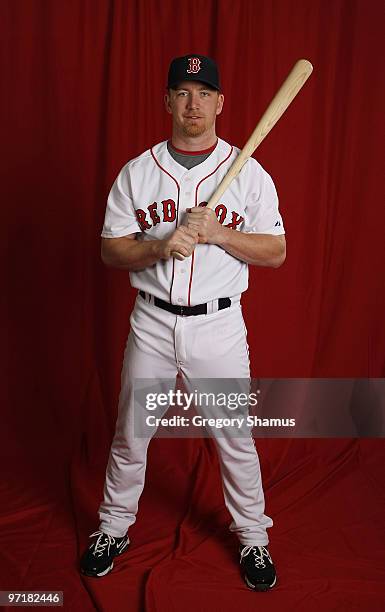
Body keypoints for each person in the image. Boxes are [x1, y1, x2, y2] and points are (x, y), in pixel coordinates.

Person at [80, 54, 286, 591]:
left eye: (203, 93)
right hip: (151, 322)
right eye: (183, 92)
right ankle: (113, 526)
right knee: (131, 433)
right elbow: (110, 251)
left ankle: (254, 538)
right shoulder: (138, 172)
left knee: (235, 438)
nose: (193, 103)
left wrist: (220, 234)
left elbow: (276, 251)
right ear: (167, 101)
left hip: (218, 327)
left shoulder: (249, 172)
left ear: (220, 102)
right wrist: (157, 246)